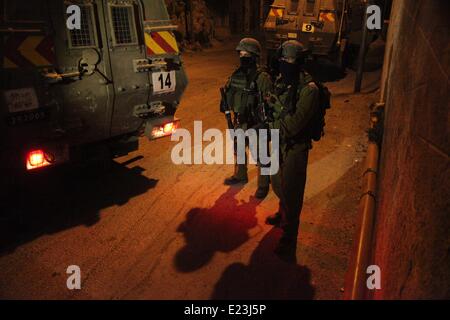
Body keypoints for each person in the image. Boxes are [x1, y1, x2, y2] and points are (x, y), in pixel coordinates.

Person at [264, 40, 320, 261]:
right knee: (277, 182)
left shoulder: (309, 90)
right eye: (283, 60)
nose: (286, 64)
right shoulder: (283, 82)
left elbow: (292, 126)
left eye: (290, 61)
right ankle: (282, 213)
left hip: (295, 147)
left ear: (300, 62)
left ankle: (290, 238)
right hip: (278, 143)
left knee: (293, 192)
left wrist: (272, 116)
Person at [220, 38, 273, 199]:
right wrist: (225, 104)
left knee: (262, 154)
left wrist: (266, 123)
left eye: (247, 54)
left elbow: (269, 101)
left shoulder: (262, 77)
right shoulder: (237, 74)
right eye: (241, 54)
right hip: (241, 120)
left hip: (257, 122)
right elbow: (230, 92)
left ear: (255, 56)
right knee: (239, 149)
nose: (243, 57)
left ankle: (263, 184)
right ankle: (241, 175)